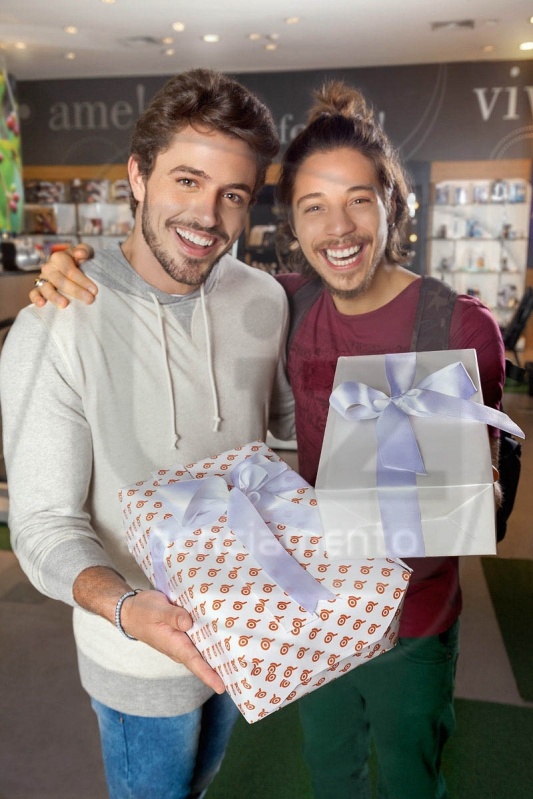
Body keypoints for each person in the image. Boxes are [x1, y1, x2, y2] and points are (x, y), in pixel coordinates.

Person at [26, 82, 506, 799]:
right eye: (313, 205)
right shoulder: (266, 304)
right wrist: (73, 262)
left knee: (383, 774)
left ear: (391, 201)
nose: (336, 227)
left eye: (357, 200)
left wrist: (466, 479)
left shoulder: (420, 322)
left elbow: (457, 480)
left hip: (344, 616)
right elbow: (41, 522)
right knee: (268, 777)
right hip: (228, 628)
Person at [0, 68, 295, 799]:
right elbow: (40, 525)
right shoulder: (56, 321)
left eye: (233, 193)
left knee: (207, 781)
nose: (209, 215)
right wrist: (129, 609)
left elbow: (285, 438)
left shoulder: (263, 297)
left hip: (247, 626)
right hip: (136, 651)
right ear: (138, 175)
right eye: (186, 181)